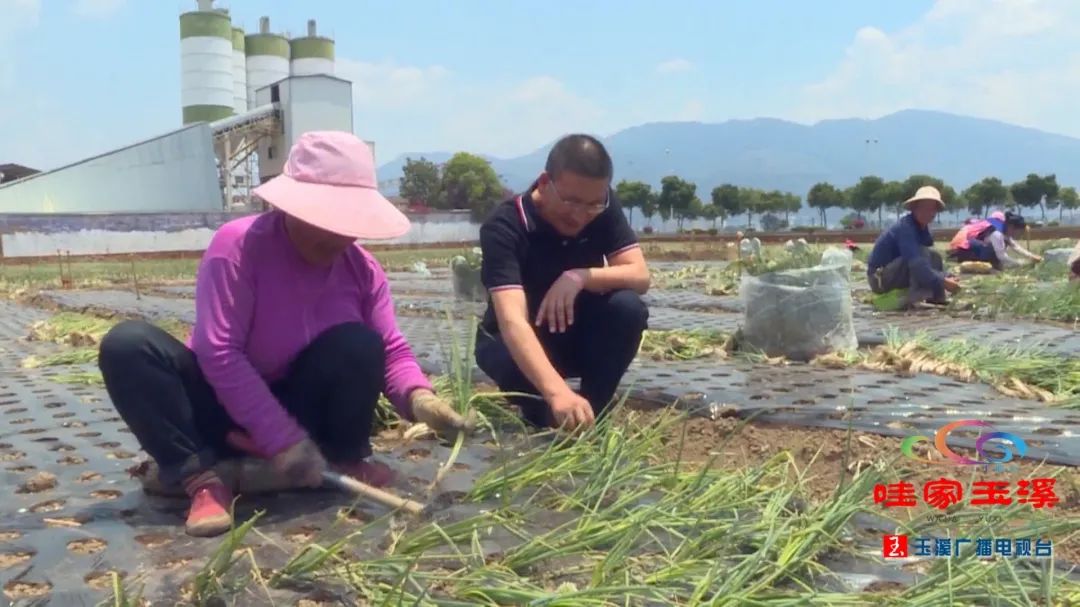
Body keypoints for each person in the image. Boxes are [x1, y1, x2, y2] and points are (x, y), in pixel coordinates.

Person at [97, 131, 473, 538]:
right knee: (128, 347)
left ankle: (344, 459)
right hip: (219, 412)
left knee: (360, 344)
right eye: (324, 219)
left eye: (348, 223)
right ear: (289, 206)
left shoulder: (362, 271)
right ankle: (201, 479)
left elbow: (392, 350)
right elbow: (218, 352)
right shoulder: (239, 247)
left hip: (299, 410)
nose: (336, 235)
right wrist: (281, 440)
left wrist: (421, 399)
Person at [474, 134, 650, 431]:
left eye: (593, 204)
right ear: (545, 183)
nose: (581, 215)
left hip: (577, 335)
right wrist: (557, 392)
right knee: (509, 359)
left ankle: (593, 412)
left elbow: (640, 275)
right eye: (571, 202)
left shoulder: (602, 206)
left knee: (628, 308)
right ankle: (545, 415)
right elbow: (512, 319)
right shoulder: (505, 225)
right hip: (522, 343)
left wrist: (580, 276)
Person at [866, 185, 960, 307]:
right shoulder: (906, 228)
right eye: (923, 208)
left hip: (897, 272)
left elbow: (929, 262)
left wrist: (948, 276)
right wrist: (943, 281)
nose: (928, 213)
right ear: (914, 209)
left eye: (932, 209)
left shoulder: (923, 230)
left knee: (934, 255)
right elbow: (917, 264)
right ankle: (916, 298)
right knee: (919, 257)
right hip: (879, 279)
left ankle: (937, 298)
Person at [947, 210, 1042, 269]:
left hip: (965, 247)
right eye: (1018, 232)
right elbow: (1002, 256)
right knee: (993, 251)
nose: (1018, 235)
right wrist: (1022, 263)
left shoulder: (1003, 229)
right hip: (960, 250)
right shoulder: (996, 233)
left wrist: (1032, 256)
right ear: (1011, 227)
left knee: (1001, 247)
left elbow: (1015, 246)